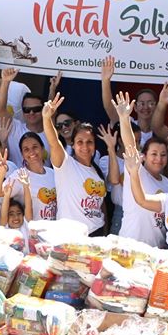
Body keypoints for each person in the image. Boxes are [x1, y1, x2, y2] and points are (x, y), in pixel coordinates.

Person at [42, 93, 113, 234]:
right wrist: (46, 117)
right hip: (70, 235)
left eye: (89, 142)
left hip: (96, 232)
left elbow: (101, 204)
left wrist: (105, 229)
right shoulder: (66, 164)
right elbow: (54, 142)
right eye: (80, 142)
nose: (85, 147)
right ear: (72, 145)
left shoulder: (97, 171)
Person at [114, 94, 168, 246]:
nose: (159, 159)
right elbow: (130, 144)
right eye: (154, 154)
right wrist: (124, 118)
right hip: (129, 246)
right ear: (143, 156)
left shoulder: (167, 183)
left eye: (163, 155)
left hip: (156, 249)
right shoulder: (136, 169)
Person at [0, 132, 57, 222]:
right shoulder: (20, 175)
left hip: (53, 231)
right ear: (22, 155)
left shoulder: (52, 173)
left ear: (42, 148)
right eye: (26, 149)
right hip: (33, 234)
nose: (31, 152)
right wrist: (1, 174)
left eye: (35, 147)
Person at [100, 55, 156, 146]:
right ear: (135, 107)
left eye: (150, 103)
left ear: (156, 107)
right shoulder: (127, 122)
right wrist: (105, 81)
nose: (146, 107)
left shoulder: (159, 132)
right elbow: (109, 108)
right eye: (142, 103)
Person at [0, 172, 32, 240]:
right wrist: (7, 195)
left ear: (23, 215)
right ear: (7, 217)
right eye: (11, 214)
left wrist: (26, 186)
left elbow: (28, 206)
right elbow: (4, 214)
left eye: (19, 213)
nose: (16, 217)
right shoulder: (5, 227)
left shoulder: (26, 225)